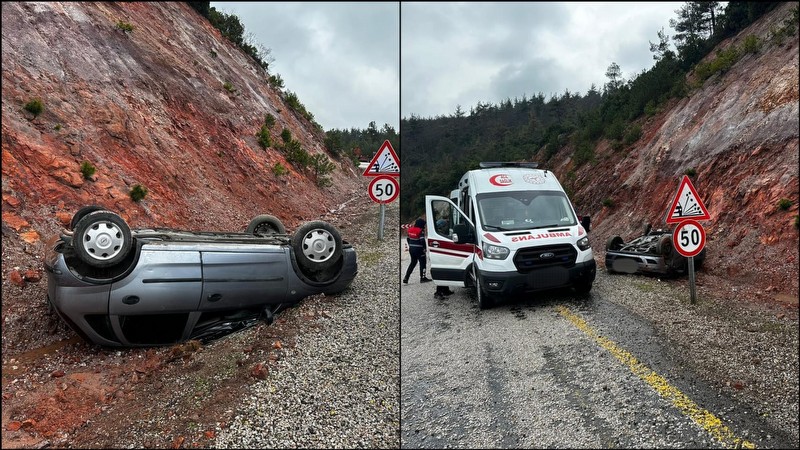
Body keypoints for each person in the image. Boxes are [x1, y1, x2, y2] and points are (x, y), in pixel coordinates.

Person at [403, 218, 431, 284]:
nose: (424, 226)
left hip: (411, 249)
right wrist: (424, 248)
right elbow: (422, 240)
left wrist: (410, 245)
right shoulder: (420, 230)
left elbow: (408, 238)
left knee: (413, 262)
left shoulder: (410, 229)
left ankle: (406, 277)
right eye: (424, 225)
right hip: (419, 249)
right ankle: (423, 277)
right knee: (423, 262)